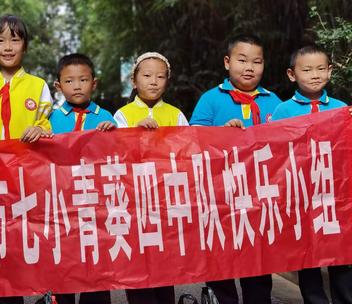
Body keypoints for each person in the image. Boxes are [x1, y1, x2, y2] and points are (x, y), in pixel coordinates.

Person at [0, 15, 53, 304]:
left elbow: (49, 125)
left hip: (28, 179)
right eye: (0, 40)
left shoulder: (39, 86)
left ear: (25, 46)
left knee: (28, 244)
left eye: (14, 40)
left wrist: (39, 128)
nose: (8, 46)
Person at [189, 34, 281, 304]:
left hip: (258, 199)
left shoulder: (274, 101)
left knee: (257, 265)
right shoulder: (210, 99)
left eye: (257, 61)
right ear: (227, 62)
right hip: (219, 198)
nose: (249, 67)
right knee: (221, 261)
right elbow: (192, 139)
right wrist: (220, 133)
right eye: (242, 60)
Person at [271, 44, 352, 304]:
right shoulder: (283, 111)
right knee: (308, 256)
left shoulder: (342, 109)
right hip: (302, 198)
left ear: (329, 71)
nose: (314, 74)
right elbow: (274, 150)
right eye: (306, 69)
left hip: (335, 198)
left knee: (342, 254)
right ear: (292, 75)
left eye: (320, 69)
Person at [114, 51, 188, 304]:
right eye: (147, 76)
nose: (154, 81)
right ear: (134, 81)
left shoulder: (177, 115)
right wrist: (134, 134)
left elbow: (187, 152)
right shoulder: (122, 115)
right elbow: (115, 157)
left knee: (163, 265)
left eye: (160, 76)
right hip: (134, 203)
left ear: (168, 80)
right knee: (137, 265)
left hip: (165, 202)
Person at [50, 53, 115, 304]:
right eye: (69, 81)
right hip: (62, 205)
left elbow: (121, 158)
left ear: (94, 83)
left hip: (97, 207)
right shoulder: (50, 120)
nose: (77, 86)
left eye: (83, 80)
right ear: (58, 86)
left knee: (96, 267)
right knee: (64, 265)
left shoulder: (107, 119)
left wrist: (115, 135)